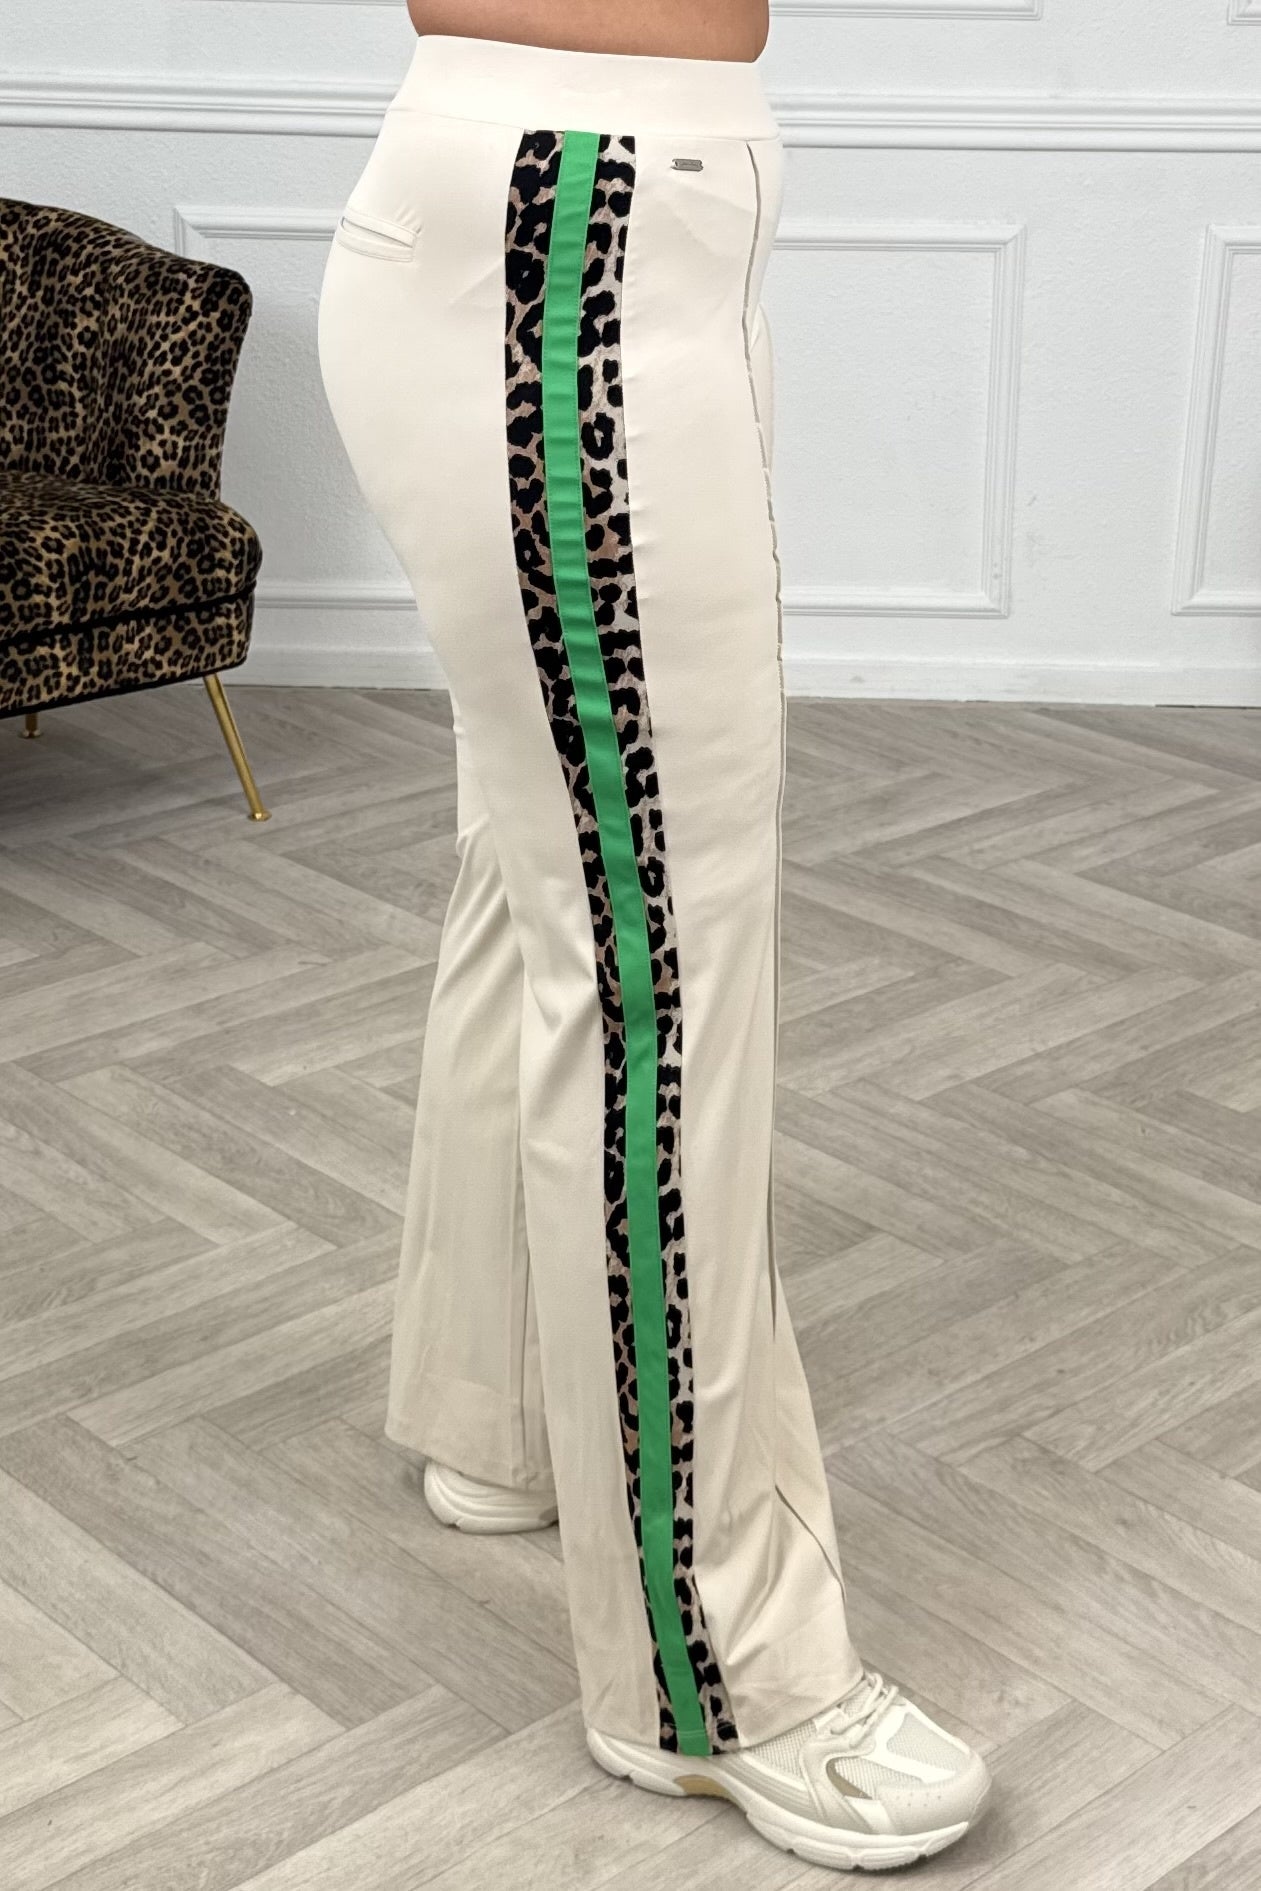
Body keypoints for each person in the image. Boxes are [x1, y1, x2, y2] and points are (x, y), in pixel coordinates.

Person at [317, 6, 993, 1871]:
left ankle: (506, 1414)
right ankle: (716, 1680)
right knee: (657, 966)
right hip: (570, 236)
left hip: (587, 224)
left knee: (548, 867)